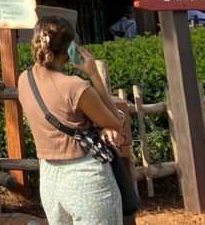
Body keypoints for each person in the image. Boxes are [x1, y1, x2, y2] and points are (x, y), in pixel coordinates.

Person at [18, 16, 126, 225]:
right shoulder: (75, 86)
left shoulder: (25, 79)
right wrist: (94, 75)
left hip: (50, 178)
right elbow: (115, 123)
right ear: (70, 48)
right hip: (86, 177)